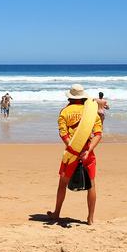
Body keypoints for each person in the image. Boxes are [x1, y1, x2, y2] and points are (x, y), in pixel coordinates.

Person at [48, 84, 102, 225]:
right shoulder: (91, 113)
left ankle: (56, 214)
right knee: (91, 185)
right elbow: (98, 134)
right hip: (87, 153)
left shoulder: (64, 112)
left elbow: (63, 133)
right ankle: (90, 219)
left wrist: (72, 148)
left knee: (62, 184)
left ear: (70, 97)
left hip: (71, 154)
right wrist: (87, 151)